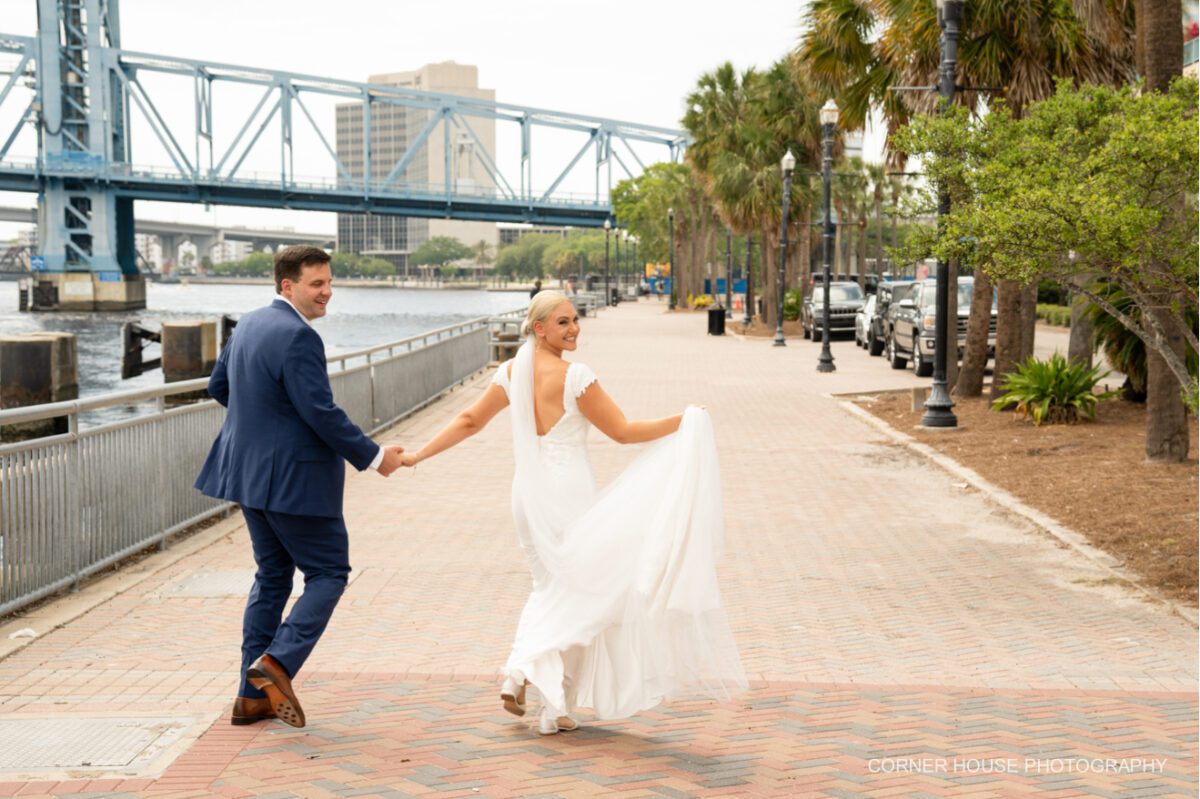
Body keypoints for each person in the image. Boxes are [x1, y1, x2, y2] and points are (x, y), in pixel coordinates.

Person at [398, 290, 746, 735]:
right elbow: (623, 432)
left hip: (526, 496)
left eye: (575, 319)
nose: (574, 328)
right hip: (569, 498)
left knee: (550, 591)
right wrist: (685, 419)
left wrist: (418, 455)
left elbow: (469, 420)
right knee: (584, 595)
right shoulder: (575, 376)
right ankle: (527, 673)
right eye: (562, 322)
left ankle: (541, 693)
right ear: (539, 328)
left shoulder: (509, 373)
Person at [195, 245, 405, 729]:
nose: (327, 292)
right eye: (317, 284)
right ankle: (278, 663)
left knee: (271, 577)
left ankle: (250, 699)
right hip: (295, 480)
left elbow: (218, 387)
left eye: (329, 282)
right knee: (329, 572)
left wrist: (262, 428)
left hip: (247, 475)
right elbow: (320, 413)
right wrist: (375, 458)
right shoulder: (298, 337)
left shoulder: (247, 323)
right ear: (288, 285)